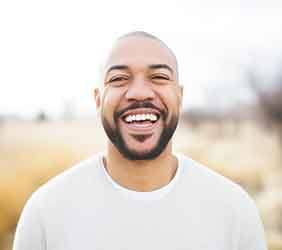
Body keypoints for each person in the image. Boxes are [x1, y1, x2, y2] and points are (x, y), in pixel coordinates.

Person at [13, 31, 267, 250]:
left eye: (159, 77)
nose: (139, 93)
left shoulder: (234, 210)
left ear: (179, 97)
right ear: (98, 100)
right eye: (119, 79)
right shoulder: (45, 212)